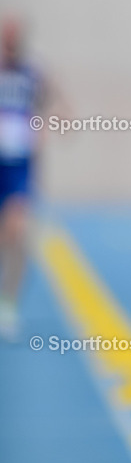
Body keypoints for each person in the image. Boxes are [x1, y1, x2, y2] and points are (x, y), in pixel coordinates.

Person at [0, 18, 45, 342]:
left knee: (16, 232)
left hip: (19, 165)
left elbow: (52, 101)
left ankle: (9, 303)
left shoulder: (32, 74)